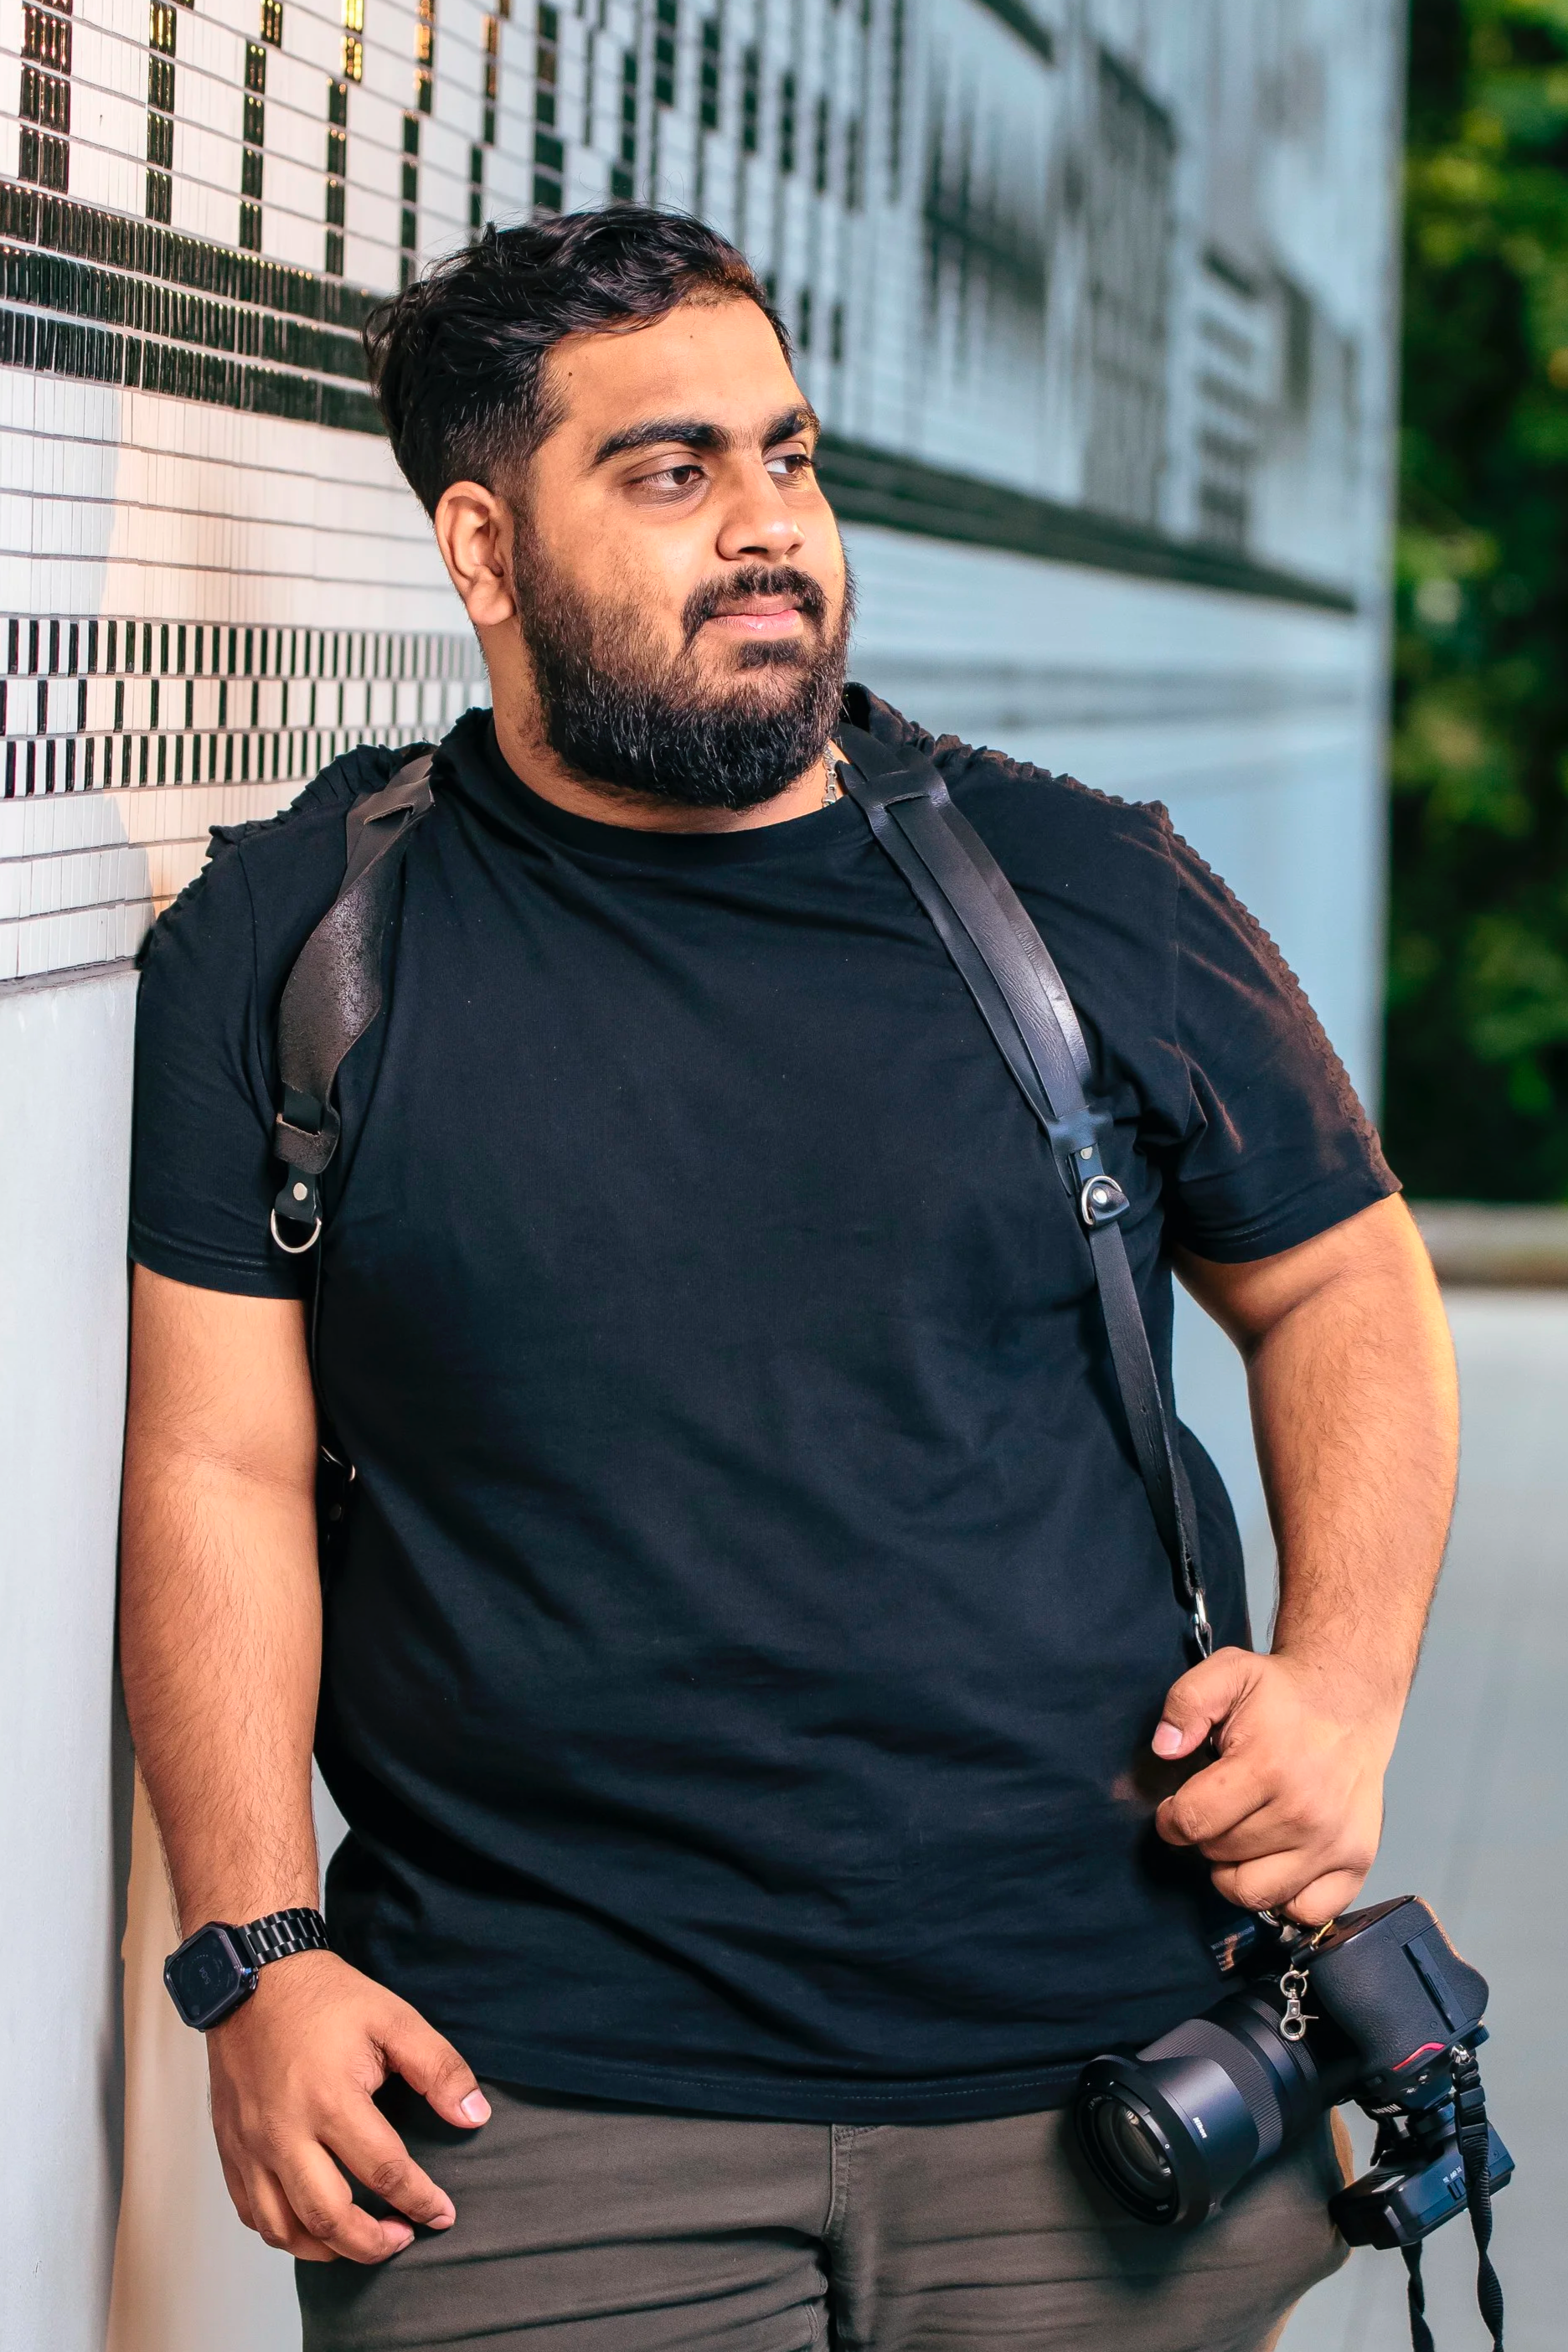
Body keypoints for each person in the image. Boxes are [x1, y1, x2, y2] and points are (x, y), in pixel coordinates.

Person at [121, 208, 1457, 2352]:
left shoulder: (1079, 884)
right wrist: (253, 1957)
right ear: (482, 549)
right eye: (671, 472)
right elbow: (215, 1471)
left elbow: (1342, 1283)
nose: (768, 530)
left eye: (791, 457)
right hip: (529, 2122)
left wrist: (1353, 1682)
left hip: (1103, 2102)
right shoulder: (294, 953)